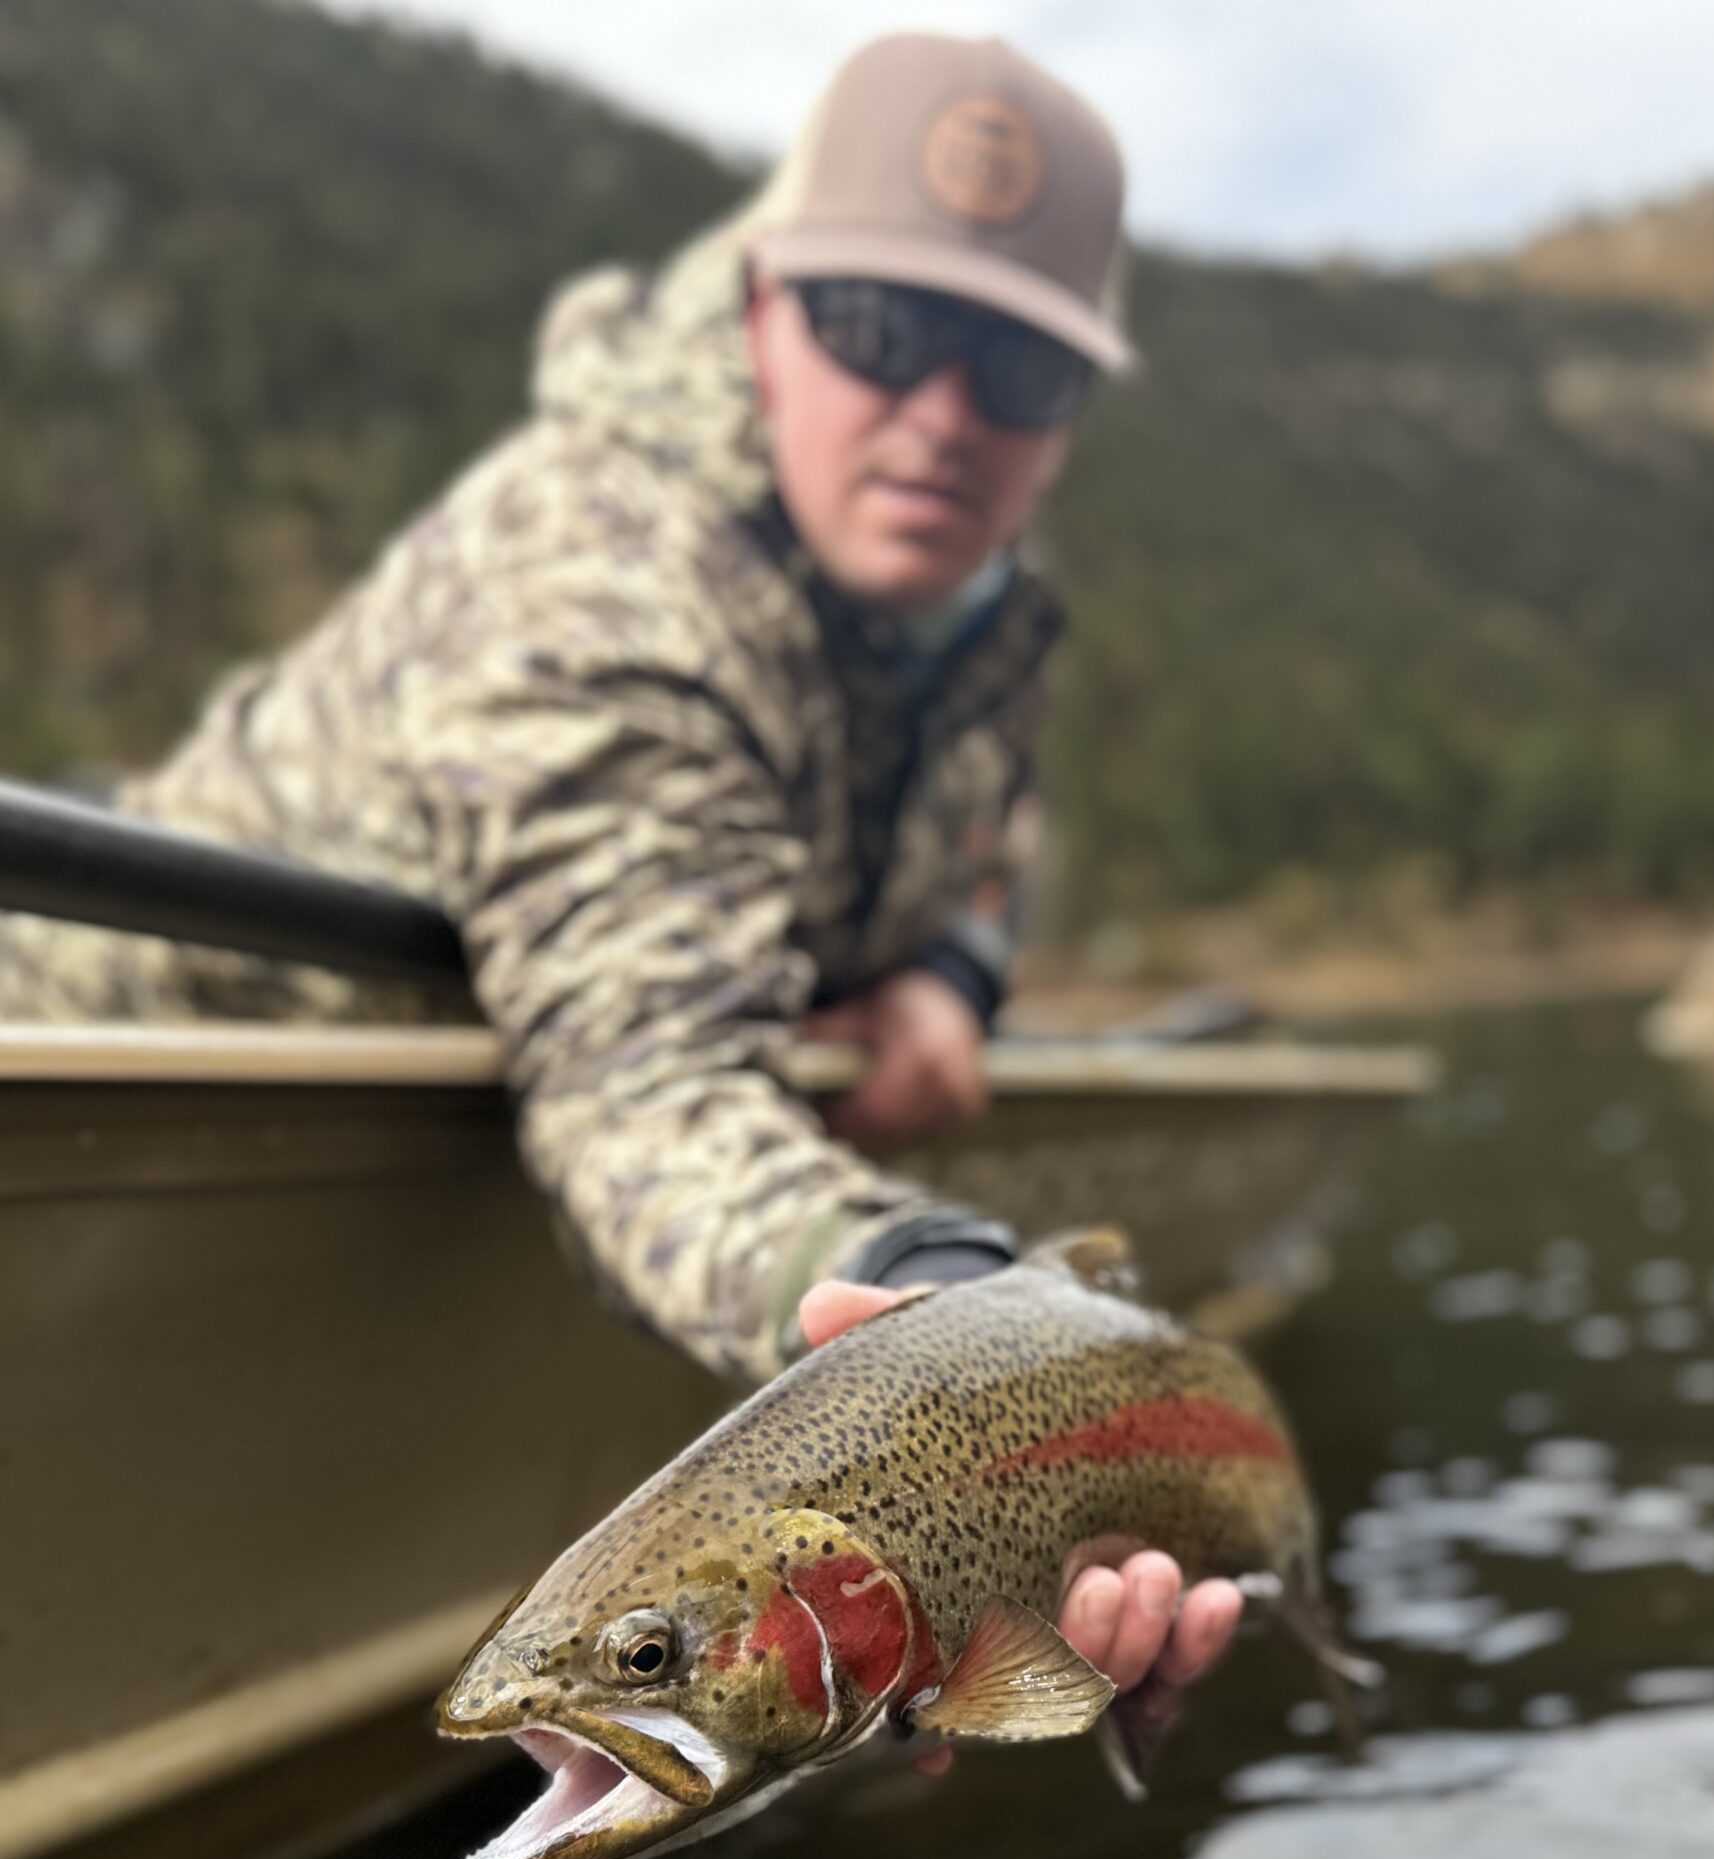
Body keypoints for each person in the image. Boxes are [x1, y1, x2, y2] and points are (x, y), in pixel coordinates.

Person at [0, 34, 1237, 1717]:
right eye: (884, 330)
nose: (946, 414)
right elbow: (642, 1084)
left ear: (1071, 415)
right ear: (759, 319)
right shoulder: (597, 585)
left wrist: (952, 973)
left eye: (1019, 369)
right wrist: (938, 1309)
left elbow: (989, 830)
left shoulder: (979, 602)